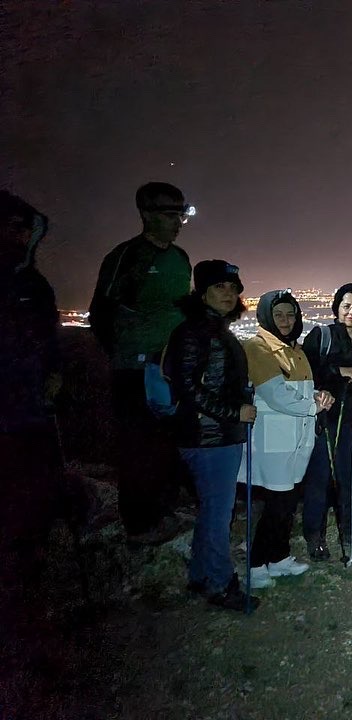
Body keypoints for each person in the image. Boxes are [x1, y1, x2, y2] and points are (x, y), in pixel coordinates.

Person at [88, 182, 193, 542]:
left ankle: (164, 510)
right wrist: (125, 352)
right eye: (168, 214)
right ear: (146, 214)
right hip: (134, 368)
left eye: (180, 214)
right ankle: (139, 523)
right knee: (138, 444)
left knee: (167, 442)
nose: (177, 222)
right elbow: (101, 312)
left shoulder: (179, 258)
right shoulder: (127, 256)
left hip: (170, 367)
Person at [165, 260, 259, 611]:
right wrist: (235, 412)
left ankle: (201, 574)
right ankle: (221, 584)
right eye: (220, 287)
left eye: (233, 288)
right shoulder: (195, 333)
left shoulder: (215, 330)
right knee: (220, 513)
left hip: (216, 435)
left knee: (212, 510)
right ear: (201, 292)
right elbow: (188, 388)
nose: (229, 293)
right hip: (208, 437)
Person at [240, 290, 334, 588]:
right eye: (278, 314)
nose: (285, 320)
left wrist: (318, 395)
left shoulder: (294, 348)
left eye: (290, 315)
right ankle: (256, 564)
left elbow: (299, 389)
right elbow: (275, 394)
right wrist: (313, 406)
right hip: (274, 440)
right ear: (265, 316)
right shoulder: (258, 347)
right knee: (277, 504)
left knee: (288, 502)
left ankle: (278, 557)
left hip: (296, 438)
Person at [0, 191, 64, 601]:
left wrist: (54, 372)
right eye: (11, 227)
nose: (19, 235)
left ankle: (29, 557)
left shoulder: (32, 283)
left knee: (31, 475)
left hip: (29, 399)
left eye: (24, 228)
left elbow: (50, 336)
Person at [302, 283, 352, 561]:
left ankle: (349, 532)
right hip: (325, 420)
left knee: (349, 478)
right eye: (346, 306)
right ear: (337, 308)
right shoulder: (322, 336)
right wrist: (338, 371)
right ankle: (315, 537)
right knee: (320, 480)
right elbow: (307, 373)